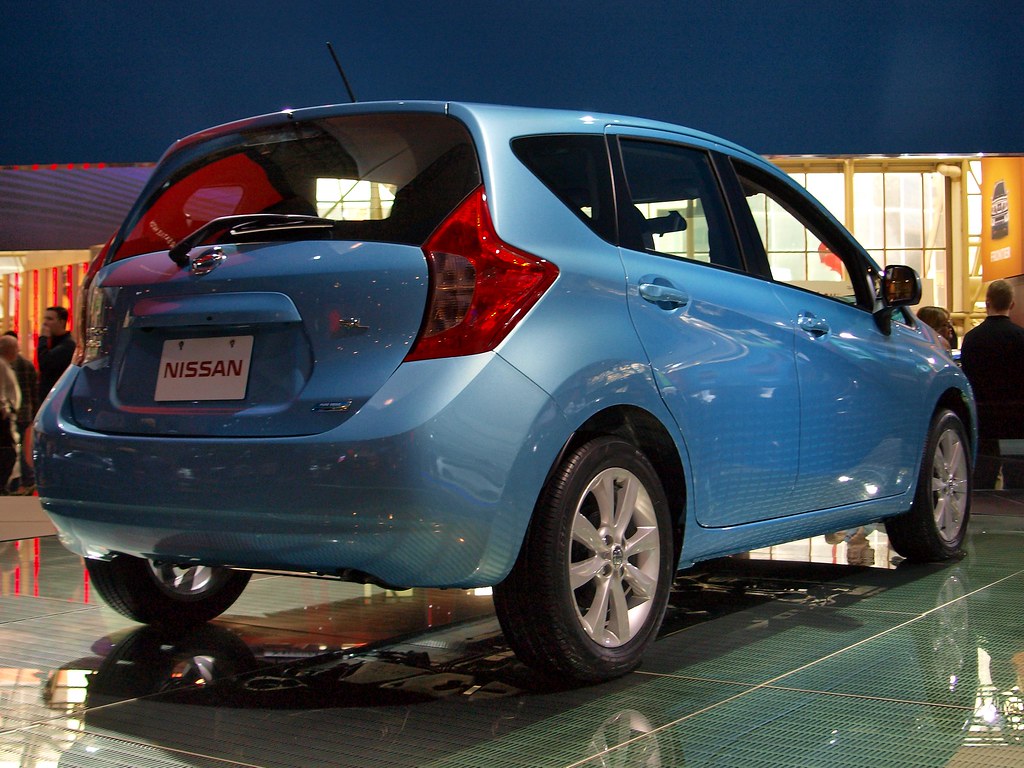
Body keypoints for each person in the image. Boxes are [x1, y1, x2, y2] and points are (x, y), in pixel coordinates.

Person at [959, 279, 1024, 488]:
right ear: (1012, 304)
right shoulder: (1020, 337)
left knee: (984, 473)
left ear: (987, 303)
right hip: (1016, 415)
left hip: (983, 415)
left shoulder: (971, 338)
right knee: (1017, 472)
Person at [2, 332, 38, 493]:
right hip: (23, 412)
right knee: (20, 447)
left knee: (13, 448)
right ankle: (24, 479)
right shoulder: (26, 365)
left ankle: (17, 480)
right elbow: (33, 390)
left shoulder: (6, 366)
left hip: (11, 414)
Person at [37, 306, 76, 403]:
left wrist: (43, 338)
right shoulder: (54, 343)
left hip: (57, 399)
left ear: (61, 322)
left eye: (49, 319)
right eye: (44, 318)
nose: (45, 323)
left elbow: (44, 363)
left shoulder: (67, 345)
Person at [0, 337, 21, 493]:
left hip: (8, 414)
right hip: (4, 416)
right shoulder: (1, 365)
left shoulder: (5, 365)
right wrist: (4, 408)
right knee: (8, 452)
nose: (18, 351)